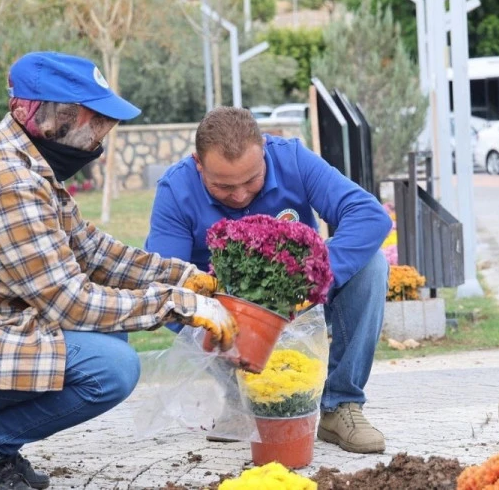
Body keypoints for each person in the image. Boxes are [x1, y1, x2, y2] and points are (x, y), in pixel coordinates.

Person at [0, 52, 238, 490]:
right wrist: (176, 304)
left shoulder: (24, 161)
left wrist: (182, 276)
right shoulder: (9, 183)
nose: (102, 137)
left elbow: (92, 251)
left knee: (107, 339)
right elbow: (72, 303)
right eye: (95, 122)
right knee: (111, 367)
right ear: (51, 118)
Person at [145, 106, 392, 454]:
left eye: (251, 180)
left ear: (263, 150)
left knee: (373, 265)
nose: (240, 195)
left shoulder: (292, 159)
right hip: (226, 316)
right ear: (198, 163)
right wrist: (221, 309)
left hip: (300, 302)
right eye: (223, 186)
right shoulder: (175, 189)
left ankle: (341, 406)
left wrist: (311, 280)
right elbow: (165, 283)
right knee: (185, 302)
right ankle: (239, 404)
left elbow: (368, 215)